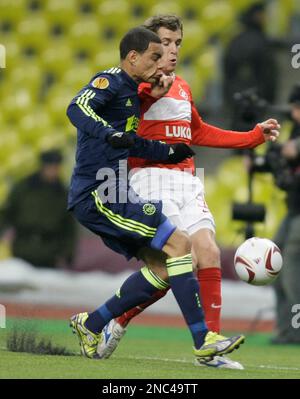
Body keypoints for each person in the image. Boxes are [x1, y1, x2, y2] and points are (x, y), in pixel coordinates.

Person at [97, 15, 280, 368]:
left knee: (208, 250)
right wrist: (149, 94)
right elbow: (121, 123)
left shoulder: (181, 85)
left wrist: (252, 136)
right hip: (149, 178)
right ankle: (115, 320)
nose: (172, 50)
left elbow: (198, 132)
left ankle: (209, 349)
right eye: (165, 42)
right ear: (149, 47)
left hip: (186, 179)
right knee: (182, 262)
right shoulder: (131, 87)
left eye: (178, 43)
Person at [66, 26, 245, 361]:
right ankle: (203, 340)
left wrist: (169, 153)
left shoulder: (133, 96)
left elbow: (133, 141)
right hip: (99, 190)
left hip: (114, 190)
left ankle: (92, 323)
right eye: (154, 56)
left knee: (164, 269)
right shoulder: (110, 80)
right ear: (133, 57)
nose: (161, 61)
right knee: (180, 244)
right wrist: (108, 134)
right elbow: (76, 108)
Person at [0, 149, 77, 268]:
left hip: (50, 251)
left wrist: (68, 252)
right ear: (43, 167)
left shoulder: (62, 194)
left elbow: (69, 227)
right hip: (23, 247)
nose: (53, 171)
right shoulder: (25, 188)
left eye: (56, 167)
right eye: (50, 166)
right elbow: (8, 213)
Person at [271, 84, 300, 344]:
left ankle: (296, 331)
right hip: (293, 209)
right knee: (275, 265)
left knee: (292, 274)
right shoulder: (295, 130)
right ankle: (286, 331)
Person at [223, 1, 278, 129]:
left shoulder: (235, 41)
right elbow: (269, 75)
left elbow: (227, 71)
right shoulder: (262, 42)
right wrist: (269, 98)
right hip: (258, 98)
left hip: (237, 98)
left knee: (239, 138)